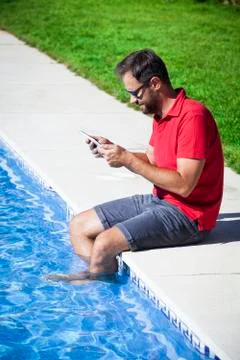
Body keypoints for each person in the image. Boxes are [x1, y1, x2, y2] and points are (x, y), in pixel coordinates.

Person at [47, 49, 224, 283]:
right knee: (78, 225)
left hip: (189, 216)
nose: (132, 100)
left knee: (104, 243)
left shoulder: (192, 117)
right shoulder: (161, 114)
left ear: (155, 83)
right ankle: (96, 277)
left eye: (135, 92)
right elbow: (153, 160)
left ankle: (98, 297)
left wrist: (127, 160)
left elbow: (184, 185)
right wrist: (116, 151)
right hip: (160, 200)